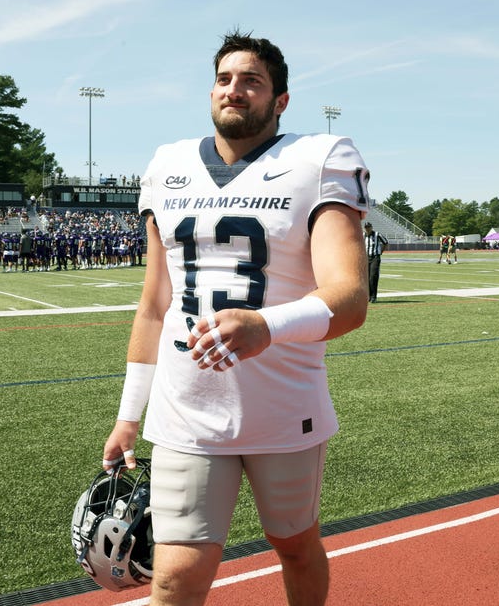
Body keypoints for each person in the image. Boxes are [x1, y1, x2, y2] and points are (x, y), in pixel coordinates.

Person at [102, 30, 369, 606]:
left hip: (282, 405)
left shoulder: (319, 158)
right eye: (224, 79)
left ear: (280, 100)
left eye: (252, 80)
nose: (235, 90)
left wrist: (265, 326)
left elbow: (349, 298)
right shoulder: (168, 165)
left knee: (295, 546)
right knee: (174, 580)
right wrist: (129, 415)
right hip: (185, 406)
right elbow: (154, 304)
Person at [363, 222, 388, 303]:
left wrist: (381, 252)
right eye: (366, 227)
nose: (367, 229)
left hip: (375, 258)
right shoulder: (363, 235)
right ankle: (369, 296)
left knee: (373, 277)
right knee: (367, 278)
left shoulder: (377, 234)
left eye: (369, 227)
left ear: (371, 227)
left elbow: (385, 242)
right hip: (366, 258)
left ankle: (374, 296)